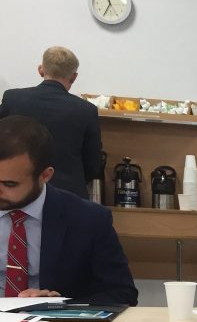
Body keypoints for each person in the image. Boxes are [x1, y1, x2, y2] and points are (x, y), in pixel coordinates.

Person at [0, 116, 137, 305]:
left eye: (9, 184)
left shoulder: (88, 219)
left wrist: (60, 305)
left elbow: (122, 293)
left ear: (45, 175)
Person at [0, 46, 103, 199]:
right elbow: (93, 165)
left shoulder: (13, 98)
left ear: (41, 69)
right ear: (74, 77)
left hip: (17, 193)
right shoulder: (86, 110)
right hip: (68, 195)